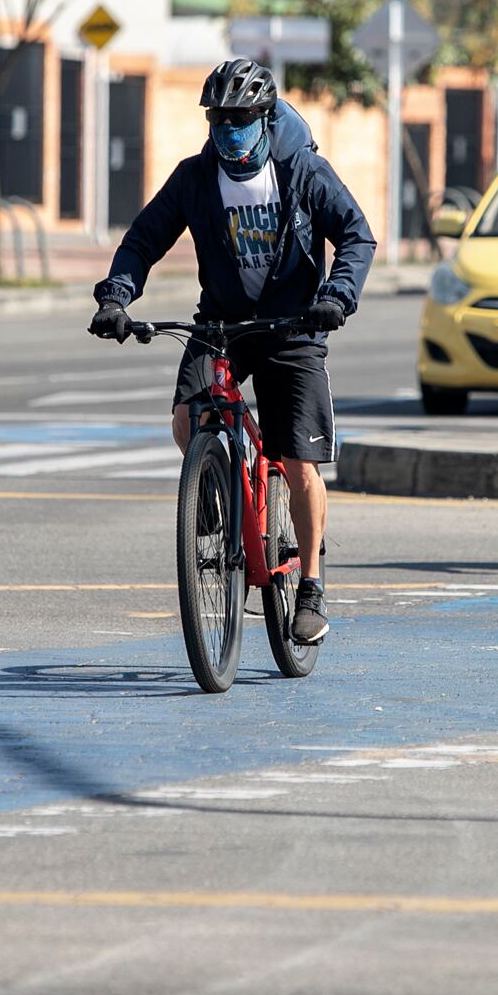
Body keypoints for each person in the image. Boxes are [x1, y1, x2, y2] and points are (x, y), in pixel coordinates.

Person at [89, 58, 375, 645]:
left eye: (241, 118)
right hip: (221, 323)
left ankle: (313, 585)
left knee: (298, 461)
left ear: (266, 120)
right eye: (219, 118)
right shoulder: (195, 178)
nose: (229, 129)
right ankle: (216, 486)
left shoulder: (302, 171)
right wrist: (116, 298)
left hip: (295, 327)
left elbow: (355, 234)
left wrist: (336, 296)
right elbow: (144, 240)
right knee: (186, 418)